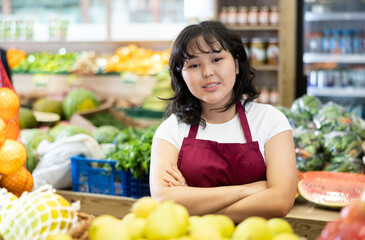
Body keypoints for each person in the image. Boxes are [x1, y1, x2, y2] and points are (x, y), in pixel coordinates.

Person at [149, 20, 297, 223]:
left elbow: (280, 201)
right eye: (193, 65)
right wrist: (251, 189)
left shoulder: (270, 120)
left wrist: (192, 203)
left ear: (236, 64)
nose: (207, 72)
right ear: (181, 75)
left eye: (216, 59)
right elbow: (163, 198)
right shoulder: (171, 130)